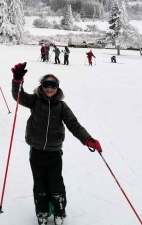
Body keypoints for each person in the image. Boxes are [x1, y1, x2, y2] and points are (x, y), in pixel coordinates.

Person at [11, 62, 102, 225]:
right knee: (39, 184)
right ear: (42, 86)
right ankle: (42, 212)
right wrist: (17, 81)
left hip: (54, 152)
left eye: (53, 85)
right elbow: (18, 96)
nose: (49, 88)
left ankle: (60, 212)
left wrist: (87, 139)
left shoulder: (61, 106)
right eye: (46, 84)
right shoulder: (35, 101)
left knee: (56, 183)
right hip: (37, 151)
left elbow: (74, 124)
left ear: (58, 88)